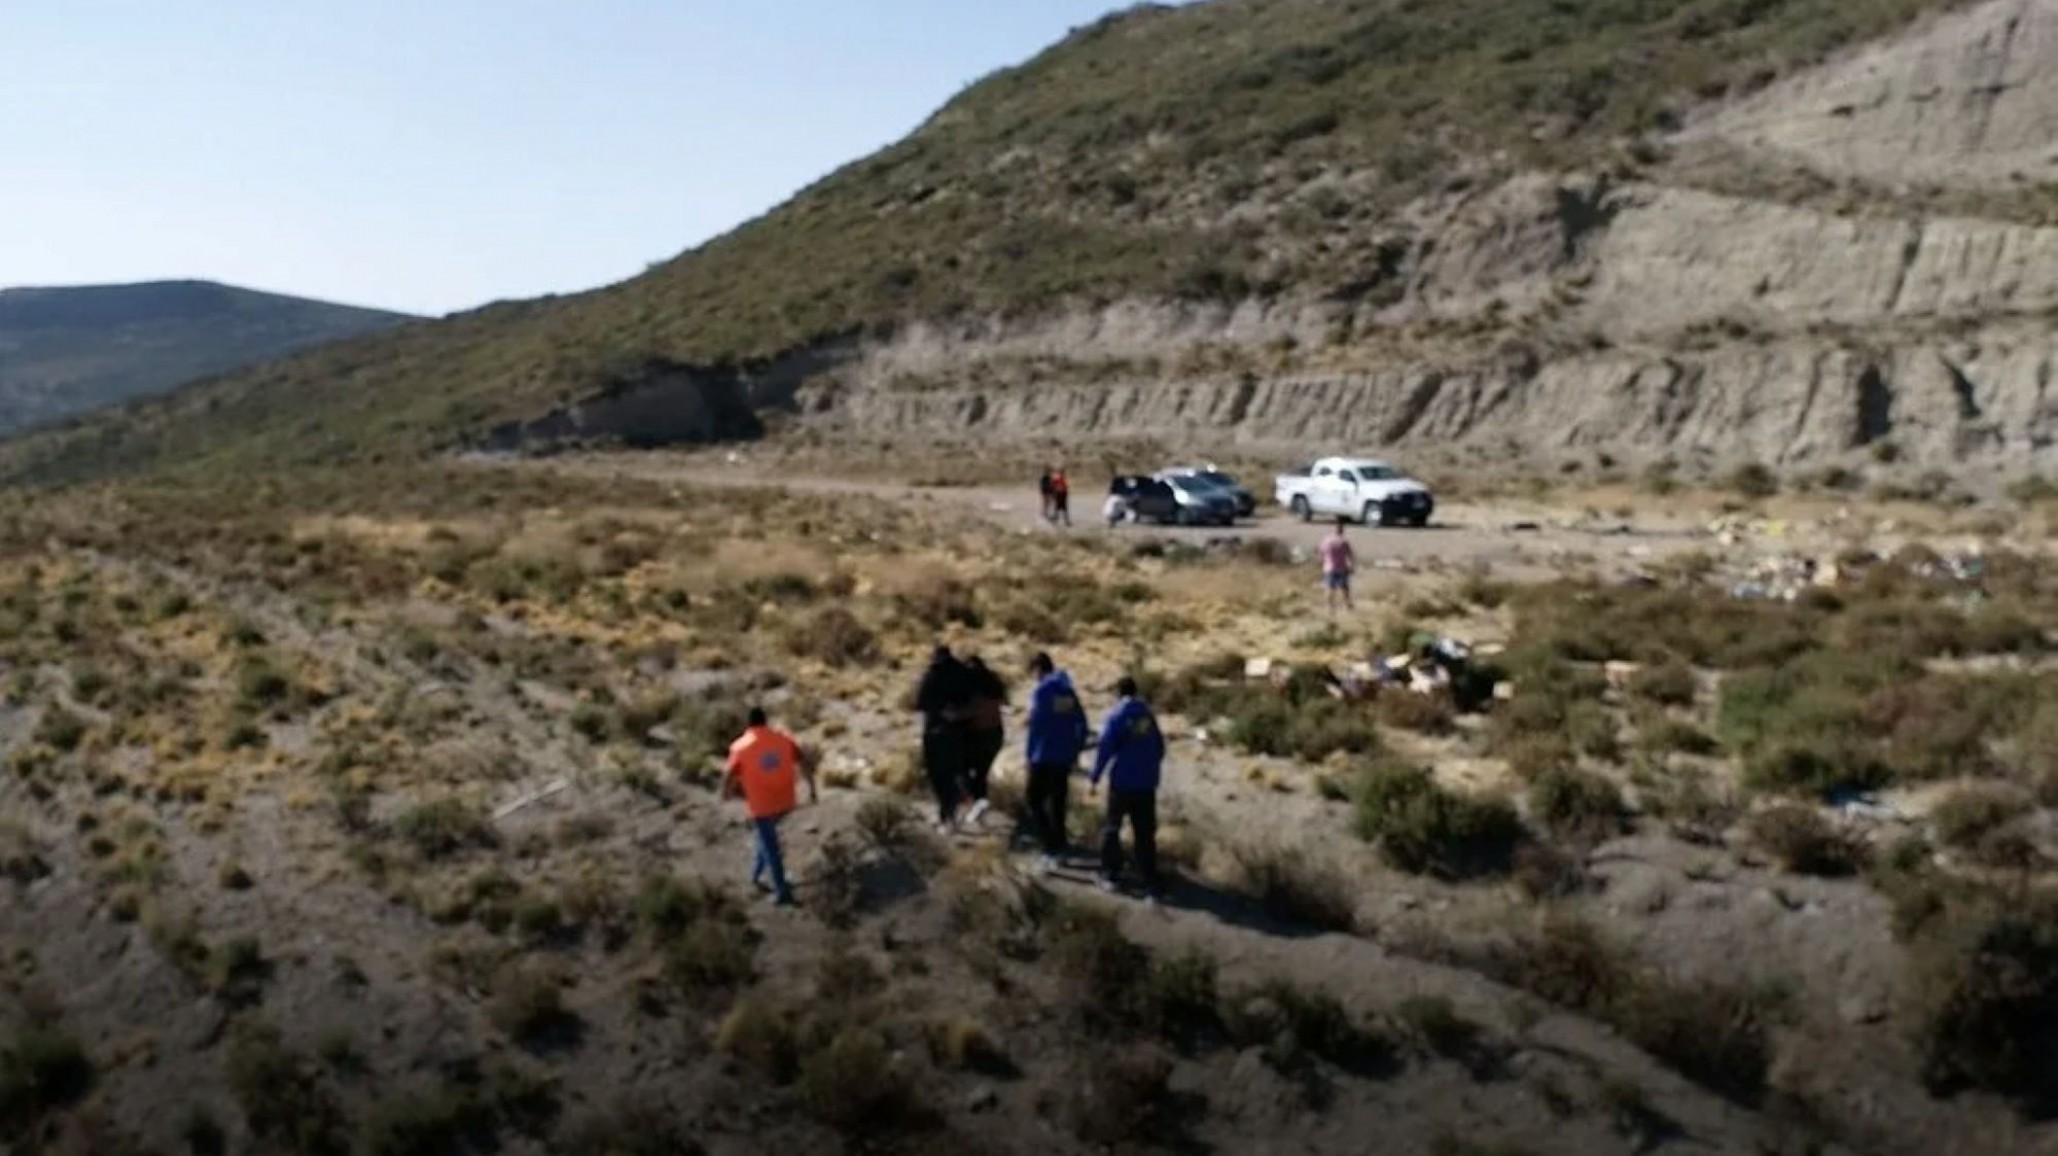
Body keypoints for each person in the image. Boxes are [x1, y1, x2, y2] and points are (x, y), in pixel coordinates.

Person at [723, 707, 817, 907]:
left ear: (748, 724)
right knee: (765, 837)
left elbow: (730, 774)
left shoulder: (740, 747)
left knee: (770, 845)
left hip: (761, 804)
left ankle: (782, 891)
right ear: (765, 722)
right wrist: (812, 789)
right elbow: (804, 761)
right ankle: (756, 875)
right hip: (784, 801)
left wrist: (726, 793)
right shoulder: (783, 739)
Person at [1088, 676, 1166, 899]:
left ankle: (1111, 873)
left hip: (1122, 782)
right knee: (1145, 831)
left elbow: (1105, 749)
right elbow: (1160, 746)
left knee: (1113, 827)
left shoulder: (1117, 715)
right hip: (1146, 783)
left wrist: (1095, 776)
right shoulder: (1147, 715)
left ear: (1118, 693)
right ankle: (1150, 877)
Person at [1024, 652, 1089, 872]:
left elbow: (1035, 724)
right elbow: (1082, 723)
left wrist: (1030, 753)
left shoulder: (1042, 691)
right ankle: (1060, 844)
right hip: (1064, 756)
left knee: (1033, 800)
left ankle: (1050, 847)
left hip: (1043, 755)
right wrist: (1076, 749)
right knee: (1057, 803)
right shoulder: (1068, 692)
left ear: (1038, 670)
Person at [914, 645, 975, 830]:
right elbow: (973, 700)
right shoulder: (963, 674)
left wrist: (939, 710)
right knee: (956, 771)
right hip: (960, 731)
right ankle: (955, 810)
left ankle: (946, 812)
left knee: (937, 774)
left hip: (935, 730)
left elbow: (921, 702)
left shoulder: (932, 675)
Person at [960, 655, 1007, 826]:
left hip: (979, 735)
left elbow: (973, 711)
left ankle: (976, 802)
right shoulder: (993, 685)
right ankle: (980, 804)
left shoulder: (974, 688)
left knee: (965, 769)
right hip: (996, 734)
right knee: (981, 772)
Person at [1320, 516, 1356, 613]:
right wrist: (1352, 566)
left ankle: (1330, 608)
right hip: (1342, 568)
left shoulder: (1326, 540)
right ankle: (1348, 605)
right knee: (1345, 588)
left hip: (1329, 568)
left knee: (1329, 588)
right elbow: (1350, 555)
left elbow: (1321, 553)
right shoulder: (1344, 542)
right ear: (1341, 529)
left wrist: (1322, 562)